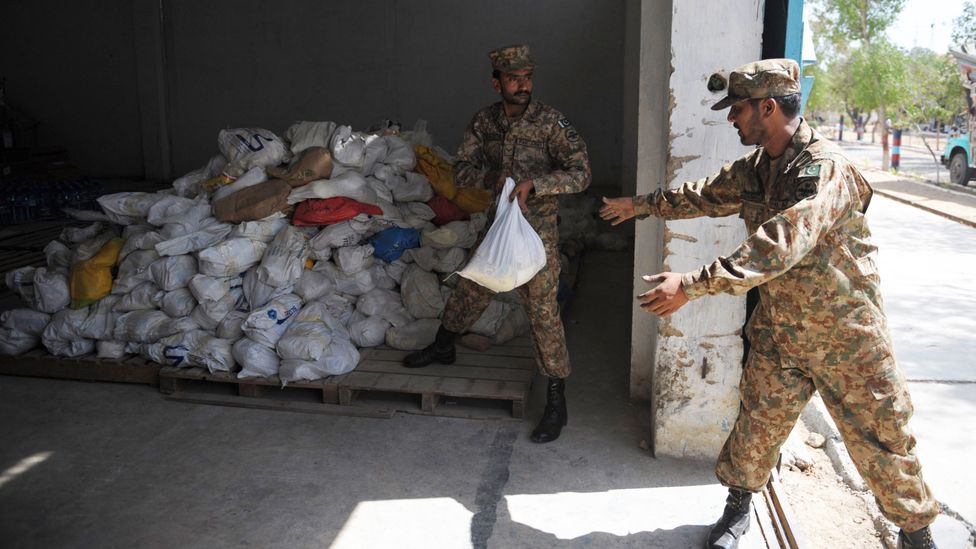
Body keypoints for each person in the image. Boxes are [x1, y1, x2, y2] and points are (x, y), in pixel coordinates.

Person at [599, 59, 939, 549]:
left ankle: (916, 536)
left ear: (769, 108)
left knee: (884, 443)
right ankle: (737, 512)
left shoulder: (825, 169)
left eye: (737, 110)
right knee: (756, 427)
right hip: (781, 333)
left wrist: (692, 284)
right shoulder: (759, 168)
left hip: (847, 339)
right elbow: (707, 195)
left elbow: (781, 242)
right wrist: (644, 205)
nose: (731, 119)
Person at [402, 44, 592, 443]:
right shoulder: (484, 122)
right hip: (497, 227)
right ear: (496, 82)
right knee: (471, 288)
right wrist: (491, 179)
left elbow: (580, 173)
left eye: (527, 78)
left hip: (537, 234)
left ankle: (557, 400)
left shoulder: (551, 123)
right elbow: (463, 168)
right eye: (513, 79)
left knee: (542, 312)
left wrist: (536, 184)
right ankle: (443, 344)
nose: (522, 86)